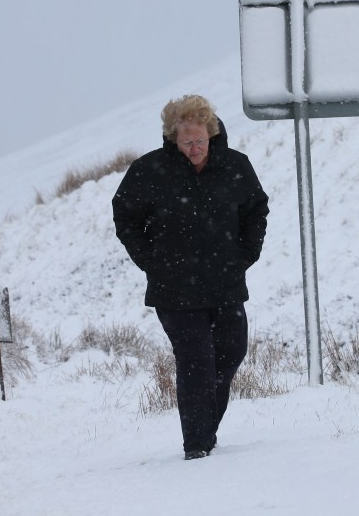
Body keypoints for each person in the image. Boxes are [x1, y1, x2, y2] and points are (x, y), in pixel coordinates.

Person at [112, 94, 269, 460]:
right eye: (187, 142)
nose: (195, 149)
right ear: (173, 138)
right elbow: (126, 217)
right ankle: (196, 445)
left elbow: (256, 210)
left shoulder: (235, 166)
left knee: (231, 351)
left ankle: (205, 428)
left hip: (224, 282)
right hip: (175, 288)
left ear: (211, 133)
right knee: (196, 359)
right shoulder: (149, 171)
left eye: (200, 140)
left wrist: (245, 254)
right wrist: (152, 261)